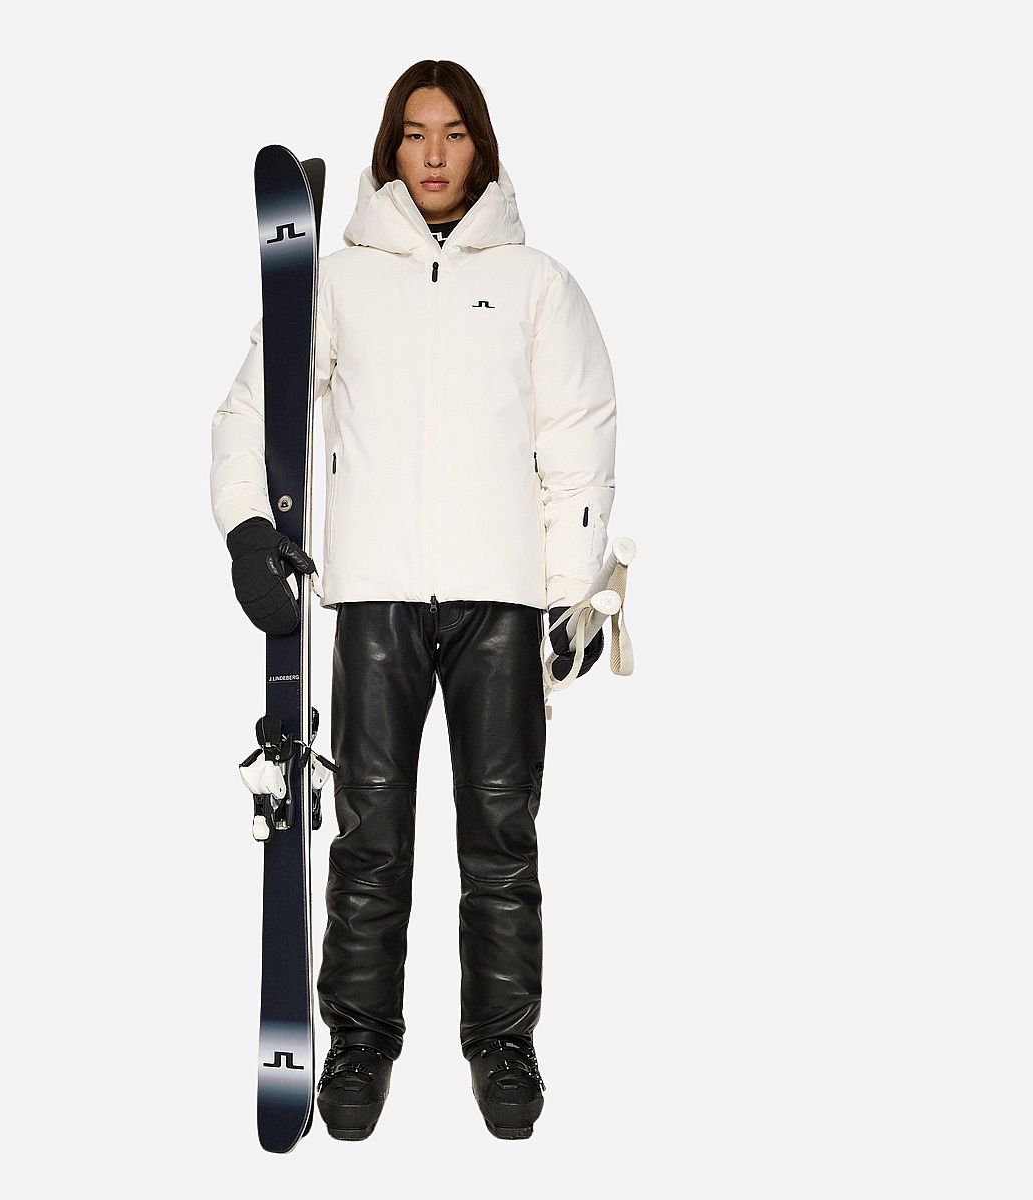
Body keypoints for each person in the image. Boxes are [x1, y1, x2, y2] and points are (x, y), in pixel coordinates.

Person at [210, 59, 617, 1141]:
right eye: (414, 135)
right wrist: (249, 530)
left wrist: (571, 595)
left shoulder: (535, 283)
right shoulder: (341, 282)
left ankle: (502, 1046)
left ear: (481, 147)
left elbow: (579, 439)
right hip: (378, 599)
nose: (434, 156)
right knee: (369, 837)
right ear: (390, 149)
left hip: (500, 603)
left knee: (501, 838)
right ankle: (358, 1042)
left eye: (454, 134)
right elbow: (255, 408)